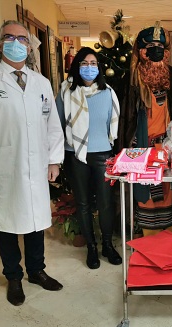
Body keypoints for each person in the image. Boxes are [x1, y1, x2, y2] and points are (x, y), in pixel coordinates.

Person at [0, 20, 64, 306]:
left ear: (30, 47)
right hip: (3, 169)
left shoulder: (41, 83)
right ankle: (14, 277)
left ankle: (36, 271)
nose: (16, 43)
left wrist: (54, 160)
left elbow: (53, 127)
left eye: (22, 38)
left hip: (38, 167)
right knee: (7, 225)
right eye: (9, 37)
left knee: (35, 222)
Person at [56, 47, 122, 269]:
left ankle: (107, 245)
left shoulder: (107, 92)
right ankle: (91, 247)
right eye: (84, 63)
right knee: (83, 203)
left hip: (102, 152)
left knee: (105, 203)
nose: (89, 67)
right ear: (77, 66)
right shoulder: (66, 92)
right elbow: (56, 125)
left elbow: (112, 125)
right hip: (74, 154)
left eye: (93, 63)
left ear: (99, 67)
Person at [119, 22, 172, 235]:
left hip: (166, 144)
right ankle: (146, 240)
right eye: (150, 46)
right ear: (141, 51)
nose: (156, 50)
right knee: (144, 194)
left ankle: (168, 239)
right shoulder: (130, 79)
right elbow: (124, 118)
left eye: (159, 46)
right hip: (140, 144)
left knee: (167, 192)